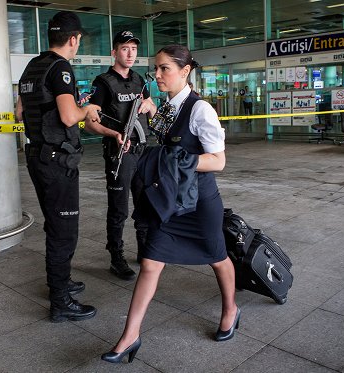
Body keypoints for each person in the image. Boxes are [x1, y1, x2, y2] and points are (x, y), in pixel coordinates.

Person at [101, 45, 239, 363]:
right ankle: (130, 336)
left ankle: (231, 308)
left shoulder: (201, 109)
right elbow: (164, 139)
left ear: (184, 71)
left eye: (164, 69)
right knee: (150, 262)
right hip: (171, 200)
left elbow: (218, 161)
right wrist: (149, 114)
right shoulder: (166, 107)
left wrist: (177, 160)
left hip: (200, 202)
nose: (158, 75)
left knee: (217, 258)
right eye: (156, 69)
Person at [16, 11, 115, 323]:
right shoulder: (61, 67)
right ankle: (60, 301)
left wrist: (70, 104)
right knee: (65, 230)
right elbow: (70, 118)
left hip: (37, 156)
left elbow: (20, 112)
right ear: (74, 39)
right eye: (78, 39)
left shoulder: (33, 66)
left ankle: (59, 282)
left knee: (55, 224)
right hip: (57, 161)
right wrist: (87, 108)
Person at [85, 30, 157, 281]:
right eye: (125, 48)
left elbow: (152, 110)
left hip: (142, 151)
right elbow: (89, 122)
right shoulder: (103, 83)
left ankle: (145, 251)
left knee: (144, 205)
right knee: (118, 209)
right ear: (114, 52)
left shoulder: (139, 80)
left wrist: (149, 106)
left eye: (134, 49)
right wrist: (112, 133)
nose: (130, 53)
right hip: (119, 153)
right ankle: (116, 256)